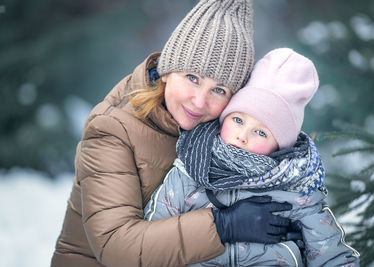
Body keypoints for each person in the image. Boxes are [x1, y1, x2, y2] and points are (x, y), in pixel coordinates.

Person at [51, 1, 300, 267]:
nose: (199, 101)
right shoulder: (112, 130)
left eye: (219, 90)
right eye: (193, 78)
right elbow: (116, 247)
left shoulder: (224, 135)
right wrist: (223, 225)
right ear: (168, 71)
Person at [144, 48, 361, 266]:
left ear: (278, 146)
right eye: (238, 120)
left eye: (260, 132)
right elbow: (153, 239)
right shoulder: (189, 171)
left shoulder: (294, 190)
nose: (242, 136)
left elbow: (331, 255)